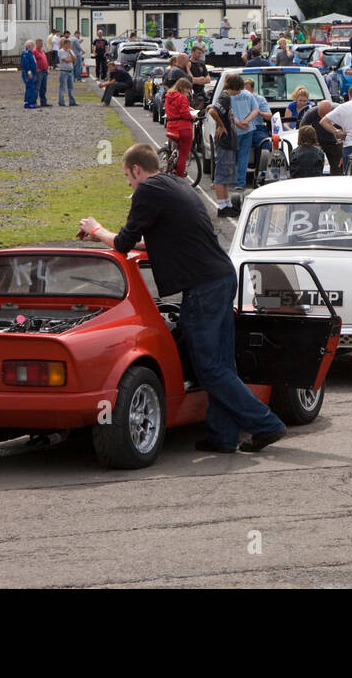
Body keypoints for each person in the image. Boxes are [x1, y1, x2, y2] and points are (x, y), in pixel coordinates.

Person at [78, 144, 287, 454]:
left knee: (209, 369)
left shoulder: (147, 191)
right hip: (221, 277)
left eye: (127, 177)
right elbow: (165, 240)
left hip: (204, 287)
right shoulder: (175, 183)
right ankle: (223, 436)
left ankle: (266, 423)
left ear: (137, 170)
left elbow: (122, 242)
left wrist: (96, 230)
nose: (128, 184)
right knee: (222, 366)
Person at [208, 73, 250, 216]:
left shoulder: (226, 98)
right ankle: (222, 206)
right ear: (235, 87)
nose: (239, 92)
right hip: (224, 142)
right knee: (221, 175)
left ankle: (227, 203)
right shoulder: (225, 97)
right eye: (239, 89)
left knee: (226, 176)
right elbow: (212, 110)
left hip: (228, 142)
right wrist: (221, 125)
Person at [163, 78, 195, 178]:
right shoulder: (182, 97)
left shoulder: (168, 96)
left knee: (175, 147)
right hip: (183, 127)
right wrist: (193, 116)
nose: (189, 91)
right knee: (183, 155)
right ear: (182, 88)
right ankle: (179, 179)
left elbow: (174, 108)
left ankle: (170, 162)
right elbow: (185, 114)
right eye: (187, 89)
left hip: (171, 126)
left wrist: (188, 107)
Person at [301, 100, 343, 174]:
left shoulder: (339, 112)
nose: (322, 117)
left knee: (337, 166)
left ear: (331, 111)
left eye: (325, 115)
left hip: (334, 142)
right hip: (316, 142)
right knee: (313, 165)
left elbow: (346, 128)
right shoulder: (311, 113)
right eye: (320, 114)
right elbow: (302, 130)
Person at [56, 41, 78, 106]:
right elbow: (66, 60)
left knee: (71, 88)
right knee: (62, 87)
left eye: (70, 44)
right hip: (64, 71)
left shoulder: (70, 50)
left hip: (70, 71)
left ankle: (72, 101)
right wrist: (72, 59)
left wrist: (70, 53)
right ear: (64, 44)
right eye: (68, 44)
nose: (69, 45)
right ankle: (61, 101)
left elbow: (75, 58)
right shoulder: (60, 51)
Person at [19, 40, 39, 109]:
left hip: (32, 72)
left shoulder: (30, 52)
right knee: (30, 87)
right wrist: (29, 72)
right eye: (33, 45)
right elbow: (25, 64)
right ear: (29, 46)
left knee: (32, 87)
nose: (33, 47)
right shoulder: (25, 53)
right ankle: (28, 102)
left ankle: (32, 101)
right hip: (28, 73)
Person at [32, 38, 51, 107]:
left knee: (43, 88)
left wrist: (47, 68)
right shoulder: (34, 51)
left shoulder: (42, 51)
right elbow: (32, 61)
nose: (41, 45)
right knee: (37, 87)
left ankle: (43, 102)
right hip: (39, 72)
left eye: (42, 43)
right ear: (36, 44)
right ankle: (34, 102)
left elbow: (45, 60)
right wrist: (35, 68)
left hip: (44, 71)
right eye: (39, 43)